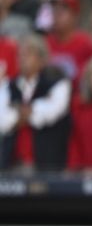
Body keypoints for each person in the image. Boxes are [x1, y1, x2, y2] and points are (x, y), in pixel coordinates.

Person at [0, 34, 71, 171]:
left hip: (47, 163)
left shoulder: (58, 84)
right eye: (20, 54)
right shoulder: (7, 86)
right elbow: (2, 121)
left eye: (29, 54)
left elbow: (49, 114)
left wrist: (17, 110)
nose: (23, 58)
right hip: (12, 164)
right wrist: (35, 109)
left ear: (42, 59)